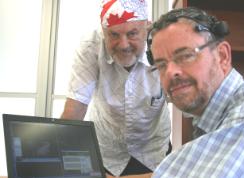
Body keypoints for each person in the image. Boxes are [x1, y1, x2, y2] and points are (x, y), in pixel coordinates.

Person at [147, 7, 244, 177]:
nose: (170, 72)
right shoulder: (209, 121)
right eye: (161, 65)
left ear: (222, 56)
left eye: (185, 55)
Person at [61, 0, 171, 177]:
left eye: (132, 33)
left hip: (153, 151)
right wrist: (59, 157)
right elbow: (75, 108)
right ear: (103, 32)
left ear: (147, 27)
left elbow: (187, 100)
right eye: (113, 35)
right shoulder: (91, 46)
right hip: (106, 151)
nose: (123, 45)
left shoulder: (164, 43)